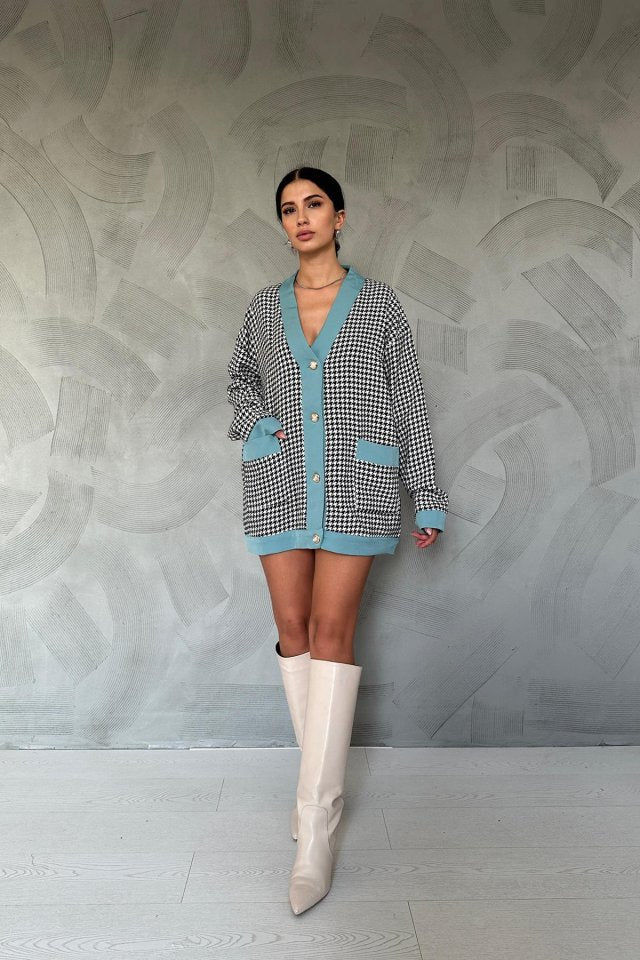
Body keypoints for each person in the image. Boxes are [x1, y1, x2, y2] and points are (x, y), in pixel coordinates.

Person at [226, 166, 448, 914]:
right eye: (289, 209)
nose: (301, 218)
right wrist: (258, 423)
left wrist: (428, 494)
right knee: (292, 632)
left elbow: (410, 401)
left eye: (314, 204)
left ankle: (314, 828)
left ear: (340, 216)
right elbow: (239, 379)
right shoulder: (263, 308)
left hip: (359, 483)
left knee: (331, 633)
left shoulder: (379, 305)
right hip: (279, 480)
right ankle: (316, 794)